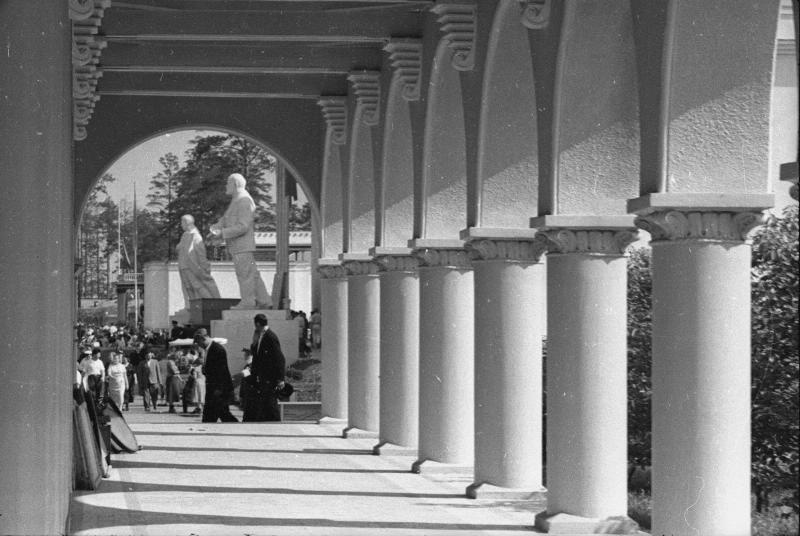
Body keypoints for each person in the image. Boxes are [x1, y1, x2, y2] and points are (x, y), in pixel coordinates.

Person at [209, 173, 271, 309]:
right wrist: (214, 230)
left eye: (228, 183)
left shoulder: (244, 201)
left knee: (245, 274)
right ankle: (265, 300)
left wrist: (222, 233)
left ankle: (248, 302)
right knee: (252, 274)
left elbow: (243, 226)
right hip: (238, 246)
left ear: (235, 184)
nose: (226, 186)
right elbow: (225, 220)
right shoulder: (237, 200)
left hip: (242, 246)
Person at [243, 313, 286, 422]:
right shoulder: (261, 336)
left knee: (271, 402)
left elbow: (280, 358)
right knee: (266, 402)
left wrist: (281, 378)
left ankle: (276, 423)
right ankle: (268, 422)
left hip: (269, 377)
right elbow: (257, 355)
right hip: (262, 376)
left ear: (257, 324)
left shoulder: (270, 336)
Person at [177, 214, 221, 310]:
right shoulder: (185, 235)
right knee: (188, 288)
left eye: (182, 222)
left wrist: (204, 267)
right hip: (183, 266)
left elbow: (201, 254)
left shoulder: (196, 236)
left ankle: (211, 305)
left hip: (191, 267)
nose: (181, 225)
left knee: (197, 286)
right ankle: (194, 307)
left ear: (186, 223)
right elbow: (179, 248)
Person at [193, 328, 238, 422]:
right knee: (222, 415)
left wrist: (218, 389)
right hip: (214, 390)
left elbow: (221, 371)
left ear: (202, 338)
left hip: (218, 391)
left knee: (213, 417)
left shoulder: (217, 349)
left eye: (198, 342)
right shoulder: (209, 349)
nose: (198, 345)